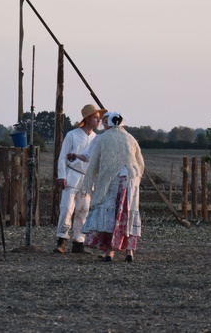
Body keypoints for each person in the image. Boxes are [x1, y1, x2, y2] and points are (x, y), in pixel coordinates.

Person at [82, 112, 144, 263]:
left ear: (109, 122)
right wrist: (136, 178)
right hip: (130, 180)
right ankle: (129, 252)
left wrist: (88, 185)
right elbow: (140, 162)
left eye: (104, 121)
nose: (103, 124)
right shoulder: (130, 138)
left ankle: (109, 253)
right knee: (127, 213)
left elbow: (94, 162)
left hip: (112, 180)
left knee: (111, 213)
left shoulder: (102, 138)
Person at [53, 104, 106, 254]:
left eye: (99, 118)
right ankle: (62, 239)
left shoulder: (97, 138)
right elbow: (63, 156)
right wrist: (62, 176)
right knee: (67, 209)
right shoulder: (72, 135)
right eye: (96, 117)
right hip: (72, 175)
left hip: (88, 179)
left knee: (83, 210)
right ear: (88, 118)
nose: (98, 120)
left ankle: (79, 242)